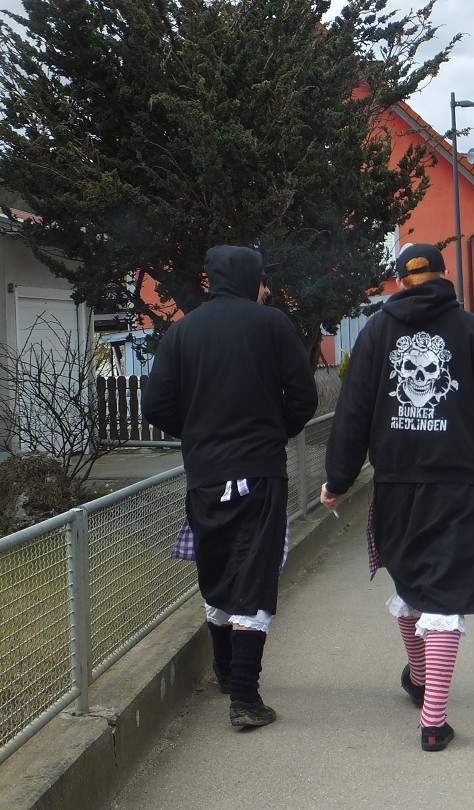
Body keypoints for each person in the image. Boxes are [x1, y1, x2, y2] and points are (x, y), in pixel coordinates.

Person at [320, 244, 474, 752]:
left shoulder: (376, 333)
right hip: (457, 483)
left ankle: (422, 686)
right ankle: (430, 713)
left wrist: (338, 479)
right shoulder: (473, 332)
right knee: (445, 592)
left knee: (413, 580)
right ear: (444, 276)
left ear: (398, 281)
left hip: (395, 482)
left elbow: (352, 412)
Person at [143, 245, 318, 729]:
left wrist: (200, 434)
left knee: (217, 568)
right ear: (250, 278)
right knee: (254, 575)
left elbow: (155, 406)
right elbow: (303, 397)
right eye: (264, 280)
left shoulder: (182, 331)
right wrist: (272, 432)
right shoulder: (274, 325)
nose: (266, 289)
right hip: (260, 470)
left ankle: (225, 671)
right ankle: (244, 697)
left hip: (205, 474)